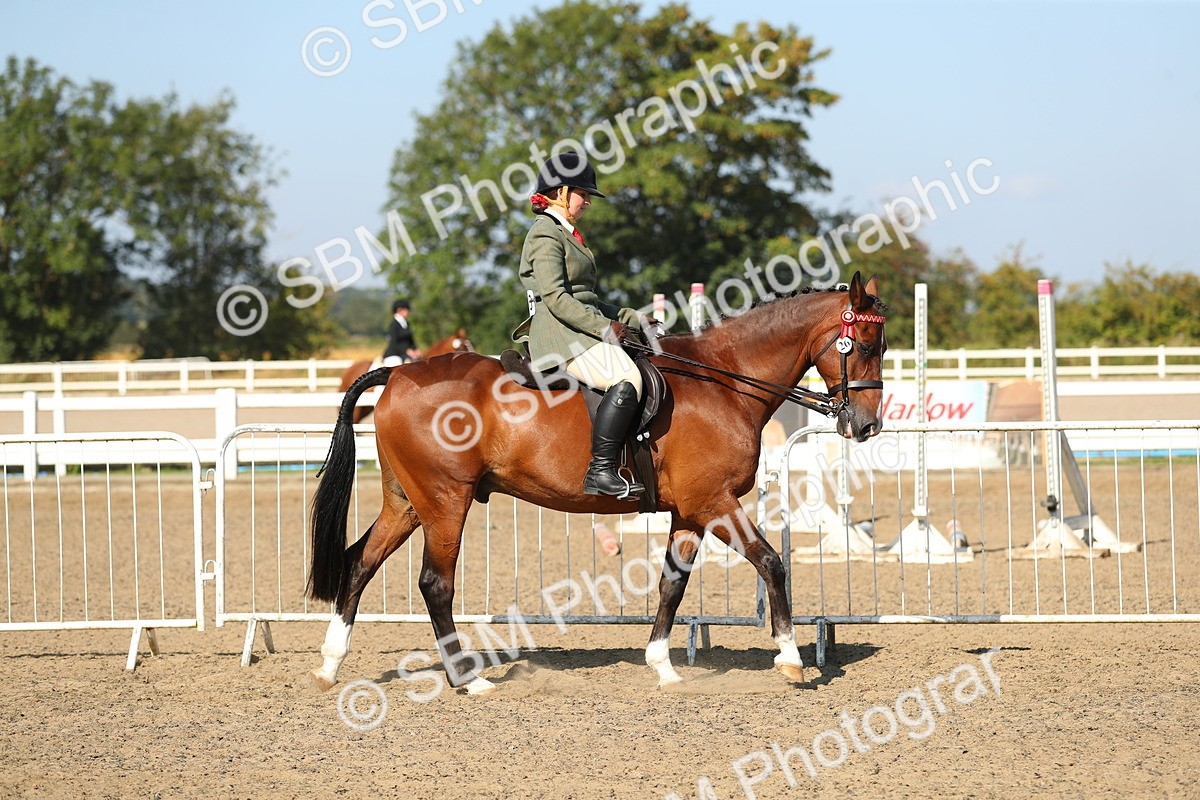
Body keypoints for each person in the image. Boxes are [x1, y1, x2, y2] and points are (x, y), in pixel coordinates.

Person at [511, 151, 654, 498]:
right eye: (583, 193)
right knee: (627, 377)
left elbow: (586, 298)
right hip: (559, 335)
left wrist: (632, 318)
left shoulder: (567, 233)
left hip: (577, 328)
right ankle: (601, 471)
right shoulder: (545, 233)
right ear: (561, 192)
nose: (588, 201)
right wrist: (605, 329)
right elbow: (557, 299)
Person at [382, 299, 422, 367]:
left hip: (405, 355)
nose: (408, 312)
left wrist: (416, 349)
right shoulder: (394, 325)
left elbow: (410, 340)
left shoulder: (406, 324)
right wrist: (406, 351)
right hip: (394, 355)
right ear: (399, 310)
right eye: (406, 310)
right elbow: (394, 342)